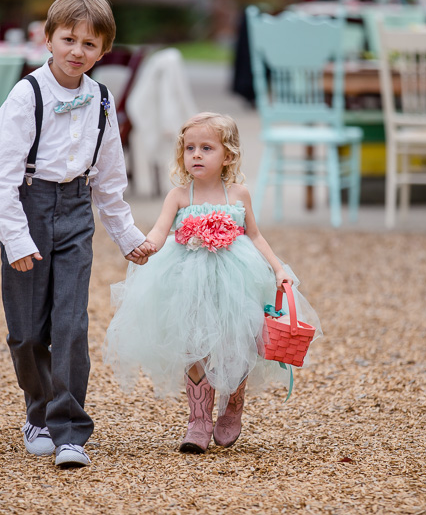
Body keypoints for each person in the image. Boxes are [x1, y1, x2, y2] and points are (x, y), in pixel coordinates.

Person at [0, 0, 153, 469]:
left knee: (71, 324)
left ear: (102, 51)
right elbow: (2, 177)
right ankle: (36, 413)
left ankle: (69, 429)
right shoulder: (27, 95)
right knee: (25, 332)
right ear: (48, 39)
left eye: (89, 43)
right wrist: (16, 238)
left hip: (76, 211)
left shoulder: (100, 99)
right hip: (30, 207)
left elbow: (108, 178)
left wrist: (127, 236)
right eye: (69, 39)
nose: (77, 51)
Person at [104, 112, 321, 453]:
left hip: (236, 280)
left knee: (238, 343)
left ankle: (232, 407)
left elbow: (255, 235)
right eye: (190, 148)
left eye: (207, 148)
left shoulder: (238, 194)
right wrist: (145, 247)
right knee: (194, 345)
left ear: (228, 155)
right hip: (188, 281)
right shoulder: (178, 196)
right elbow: (160, 232)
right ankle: (198, 420)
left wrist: (279, 269)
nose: (197, 155)